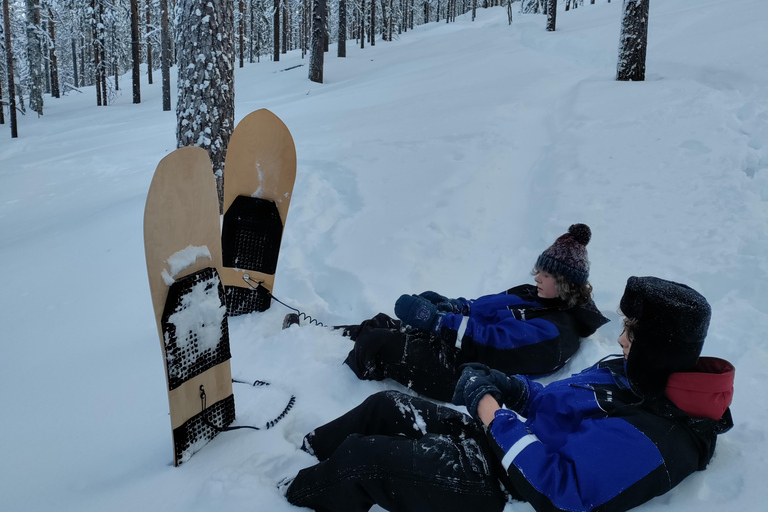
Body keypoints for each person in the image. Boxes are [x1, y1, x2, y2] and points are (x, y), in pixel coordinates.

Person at [283, 276, 735, 512]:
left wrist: (490, 410)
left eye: (631, 336)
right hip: (499, 443)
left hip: (506, 489)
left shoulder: (662, 438)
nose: (620, 342)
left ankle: (277, 499)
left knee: (368, 458)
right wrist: (509, 389)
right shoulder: (629, 375)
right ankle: (303, 454)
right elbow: (552, 400)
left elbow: (564, 492)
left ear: (657, 350)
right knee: (382, 406)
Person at [343, 223, 609, 401]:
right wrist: (451, 306)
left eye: (547, 274)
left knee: (376, 344)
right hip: (456, 347)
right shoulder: (531, 293)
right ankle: (325, 334)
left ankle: (335, 386)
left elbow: (494, 345)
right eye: (539, 270)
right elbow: (482, 306)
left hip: (466, 374)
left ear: (566, 283)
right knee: (380, 323)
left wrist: (437, 322)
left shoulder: (557, 331)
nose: (538, 277)